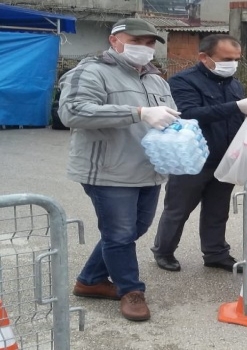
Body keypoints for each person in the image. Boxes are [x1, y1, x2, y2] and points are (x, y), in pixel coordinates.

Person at [59, 18, 181, 322]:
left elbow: (168, 119)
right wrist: (138, 112)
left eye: (150, 43)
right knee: (120, 233)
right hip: (108, 171)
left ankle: (89, 281)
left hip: (148, 169)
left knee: (132, 230)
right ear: (114, 40)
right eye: (136, 41)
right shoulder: (91, 71)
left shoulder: (156, 80)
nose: (145, 48)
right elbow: (71, 112)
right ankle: (130, 290)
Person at [151, 34, 247, 273]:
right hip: (192, 160)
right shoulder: (183, 81)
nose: (232, 64)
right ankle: (164, 251)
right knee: (178, 209)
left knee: (217, 210)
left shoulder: (234, 84)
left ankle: (215, 253)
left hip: (225, 159)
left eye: (236, 59)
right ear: (204, 57)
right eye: (226, 58)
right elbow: (189, 113)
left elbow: (238, 117)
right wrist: (235, 107)